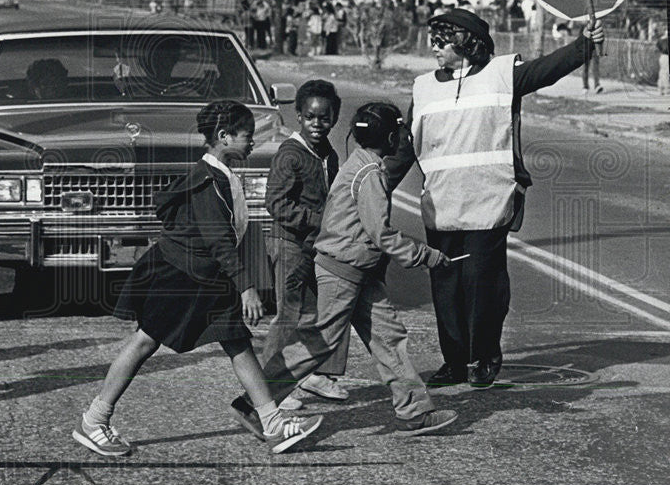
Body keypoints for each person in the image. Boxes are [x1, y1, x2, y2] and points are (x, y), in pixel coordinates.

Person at [73, 101, 323, 457]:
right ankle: (94, 421)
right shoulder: (209, 181)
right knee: (146, 341)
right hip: (180, 275)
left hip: (205, 276)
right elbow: (220, 240)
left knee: (237, 342)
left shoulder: (222, 174)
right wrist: (247, 287)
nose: (252, 142)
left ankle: (272, 422)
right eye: (246, 136)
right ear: (223, 137)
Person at [404, 7, 605, 389]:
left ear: (465, 42)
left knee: (482, 285)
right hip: (442, 206)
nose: (434, 47)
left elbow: (547, 69)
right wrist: (374, 185)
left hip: (490, 202)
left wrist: (584, 46)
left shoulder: (502, 74)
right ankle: (454, 361)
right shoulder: (423, 86)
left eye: (441, 39)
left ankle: (484, 356)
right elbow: (404, 148)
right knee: (446, 289)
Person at [229, 102, 458, 437]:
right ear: (392, 137)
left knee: (388, 338)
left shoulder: (360, 163)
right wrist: (426, 255)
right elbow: (381, 233)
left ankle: (415, 412)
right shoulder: (370, 175)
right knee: (319, 343)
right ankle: (255, 403)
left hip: (358, 271)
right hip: (341, 272)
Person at [261, 80, 349, 409]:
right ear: (298, 115)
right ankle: (270, 387)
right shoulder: (290, 154)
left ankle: (309, 373)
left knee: (314, 312)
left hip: (314, 247)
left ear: (334, 118)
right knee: (288, 314)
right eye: (310, 117)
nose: (317, 124)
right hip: (289, 245)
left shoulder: (328, 153)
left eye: (324, 118)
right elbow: (276, 203)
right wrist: (318, 220)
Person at [657, 27, 669, 96]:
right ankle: (665, 90)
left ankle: (660, 89)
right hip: (666, 57)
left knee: (662, 73)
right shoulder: (665, 40)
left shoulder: (661, 39)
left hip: (662, 57)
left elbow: (659, 48)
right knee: (666, 73)